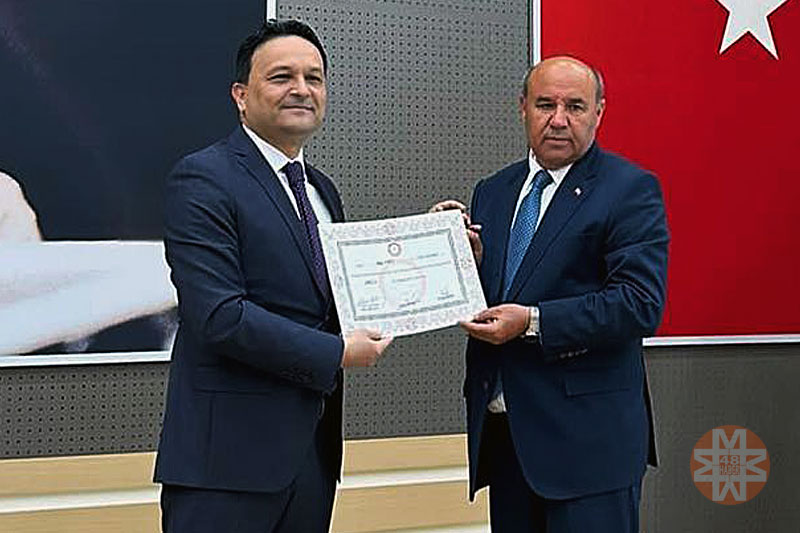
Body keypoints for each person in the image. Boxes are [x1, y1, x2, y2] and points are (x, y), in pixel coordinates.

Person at [154, 20, 392, 533]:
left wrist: (440, 242)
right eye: (282, 76)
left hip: (312, 461)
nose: (301, 89)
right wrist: (337, 353)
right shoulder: (203, 178)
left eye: (314, 77)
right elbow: (219, 316)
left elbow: (340, 297)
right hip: (225, 468)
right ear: (241, 96)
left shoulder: (322, 191)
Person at [434, 56, 669, 532]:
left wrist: (532, 322)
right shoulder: (493, 191)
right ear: (522, 107)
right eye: (545, 105)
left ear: (599, 112)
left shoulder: (629, 189)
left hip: (589, 451)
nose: (558, 119)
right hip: (508, 441)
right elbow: (504, 293)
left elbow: (638, 304)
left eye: (575, 106)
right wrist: (460, 259)